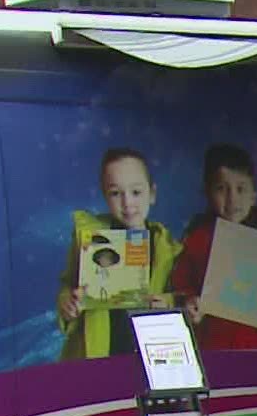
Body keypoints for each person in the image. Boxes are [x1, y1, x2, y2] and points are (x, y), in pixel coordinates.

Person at [168, 143, 257, 352]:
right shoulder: (197, 239)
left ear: (253, 195)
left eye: (241, 189)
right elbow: (180, 283)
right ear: (207, 192)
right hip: (212, 349)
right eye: (221, 189)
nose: (232, 199)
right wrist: (190, 301)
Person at [56, 148, 182, 360]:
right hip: (98, 355)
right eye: (116, 193)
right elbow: (68, 284)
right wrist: (68, 303)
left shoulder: (168, 247)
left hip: (150, 357)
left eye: (136, 192)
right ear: (105, 195)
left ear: (152, 194)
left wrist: (168, 302)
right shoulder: (91, 239)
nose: (127, 203)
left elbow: (182, 296)